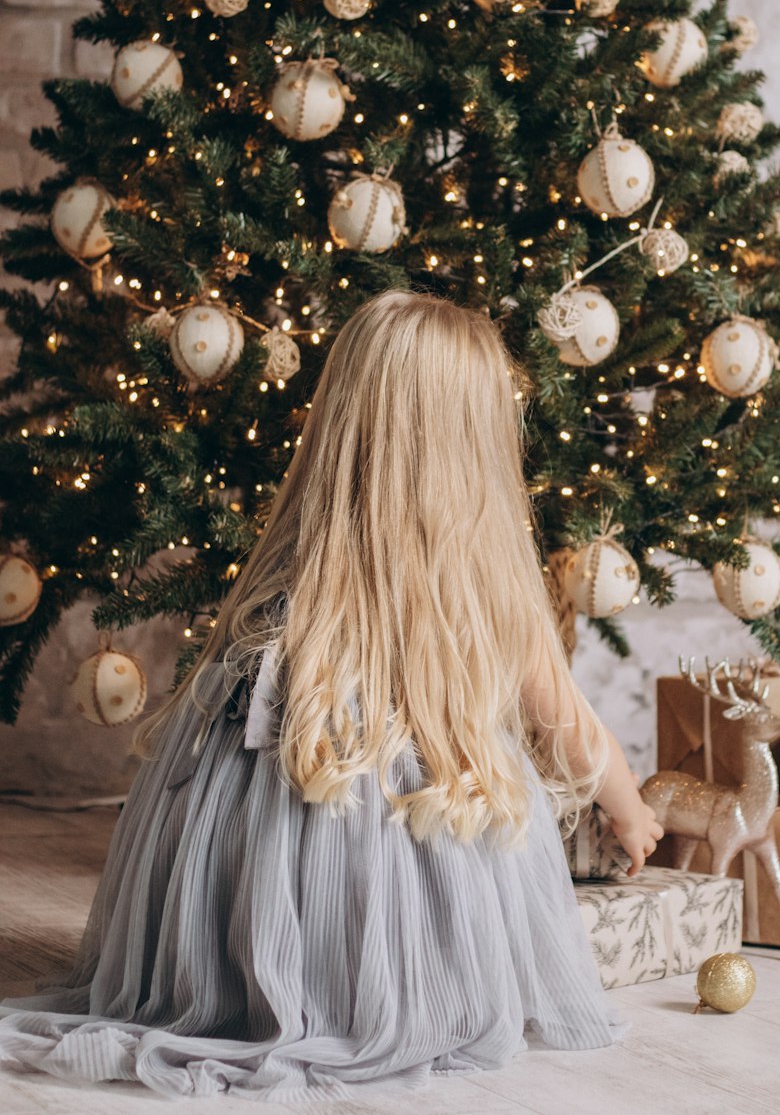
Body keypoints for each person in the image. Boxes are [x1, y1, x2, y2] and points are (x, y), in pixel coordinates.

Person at [0, 290, 662, 1102]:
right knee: (442, 792)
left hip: (244, 880)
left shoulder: (291, 565)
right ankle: (376, 981)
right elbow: (563, 721)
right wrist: (627, 806)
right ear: (478, 437)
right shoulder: (485, 576)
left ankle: (239, 978)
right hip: (372, 849)